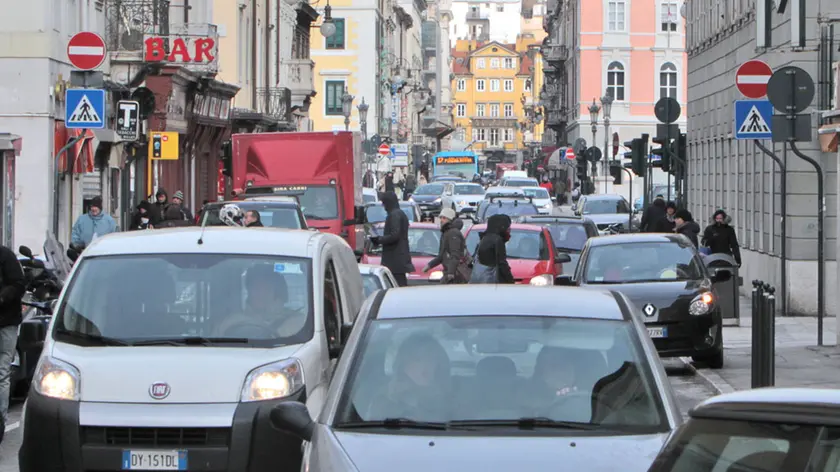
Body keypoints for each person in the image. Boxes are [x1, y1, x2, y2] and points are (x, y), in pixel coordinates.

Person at [369, 332, 451, 421]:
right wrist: (393, 401)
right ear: (403, 365)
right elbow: (374, 426)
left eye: (430, 358)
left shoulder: (452, 392)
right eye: (417, 360)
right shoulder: (387, 394)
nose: (425, 365)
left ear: (439, 363)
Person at [214, 263, 307, 338]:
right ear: (248, 289)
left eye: (266, 288)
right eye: (256, 288)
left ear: (277, 292)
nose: (261, 293)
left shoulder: (297, 323)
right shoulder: (230, 322)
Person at [0, 244, 24, 430]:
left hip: (5, 323)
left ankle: (1, 420)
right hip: (7, 321)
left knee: (2, 372)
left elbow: (18, 284)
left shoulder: (5, 256)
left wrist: (2, 298)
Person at [369, 192, 413, 286]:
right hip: (398, 259)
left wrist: (379, 240)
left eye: (384, 203)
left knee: (397, 286)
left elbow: (395, 235)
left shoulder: (394, 215)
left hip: (395, 259)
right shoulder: (399, 214)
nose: (383, 206)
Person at [423, 208, 467, 284]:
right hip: (449, 272)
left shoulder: (453, 233)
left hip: (456, 274)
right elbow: (441, 255)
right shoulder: (446, 232)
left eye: (444, 218)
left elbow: (455, 254)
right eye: (441, 217)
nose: (441, 220)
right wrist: (429, 265)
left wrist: (451, 272)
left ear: (450, 219)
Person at [470, 214, 515, 284]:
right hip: (493, 282)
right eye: (508, 228)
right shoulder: (497, 240)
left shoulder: (484, 238)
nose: (509, 231)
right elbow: (502, 264)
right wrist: (510, 280)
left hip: (480, 281)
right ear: (502, 227)